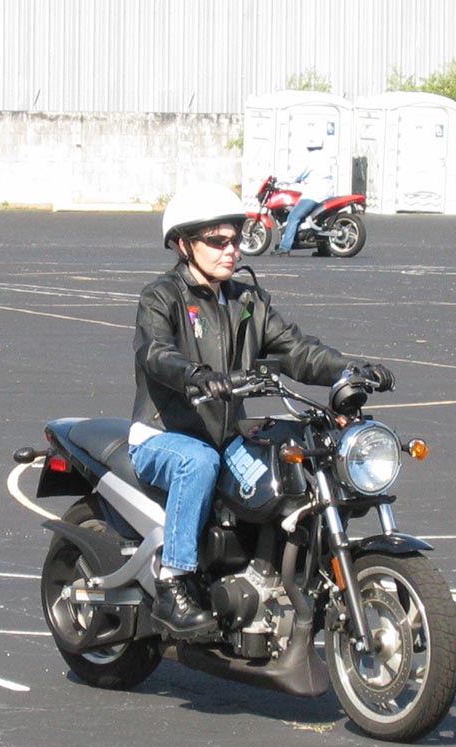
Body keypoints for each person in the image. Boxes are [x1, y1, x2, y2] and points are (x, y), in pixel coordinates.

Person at [130, 182, 394, 637]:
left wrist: (348, 369)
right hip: (164, 437)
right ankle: (173, 582)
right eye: (217, 241)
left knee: (290, 467)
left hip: (226, 435)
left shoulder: (246, 300)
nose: (230, 249)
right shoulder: (162, 297)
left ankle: (276, 576)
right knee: (198, 462)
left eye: (235, 239)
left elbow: (296, 350)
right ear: (184, 244)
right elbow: (156, 353)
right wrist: (196, 376)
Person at [274, 132, 334, 256]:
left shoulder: (309, 159)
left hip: (313, 194)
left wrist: (279, 179)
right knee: (319, 221)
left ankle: (285, 247)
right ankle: (323, 249)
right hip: (327, 193)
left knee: (293, 217)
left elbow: (294, 175)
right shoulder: (325, 157)